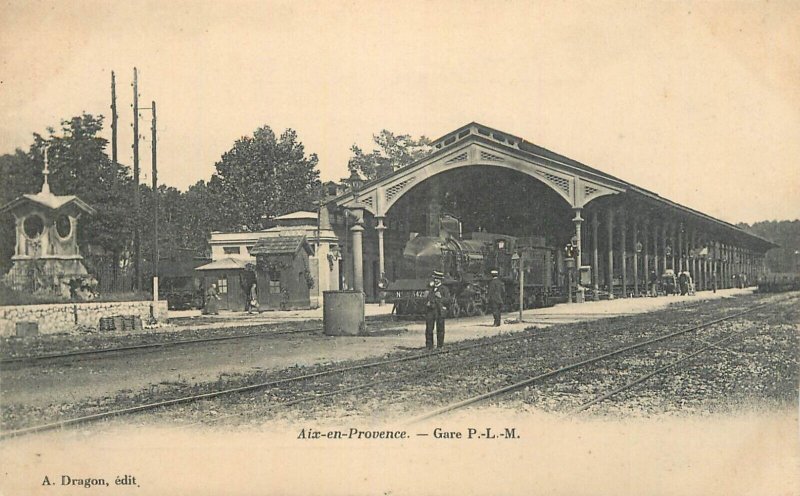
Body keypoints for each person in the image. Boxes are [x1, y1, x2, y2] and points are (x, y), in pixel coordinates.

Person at [424, 270, 450, 350]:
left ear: (441, 280)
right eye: (435, 278)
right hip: (431, 310)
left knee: (440, 329)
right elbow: (426, 297)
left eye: (437, 279)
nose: (436, 280)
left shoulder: (444, 289)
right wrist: (426, 301)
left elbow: (448, 300)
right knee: (429, 328)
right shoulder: (430, 288)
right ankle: (429, 346)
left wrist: (440, 298)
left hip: (439, 311)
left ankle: (440, 345)